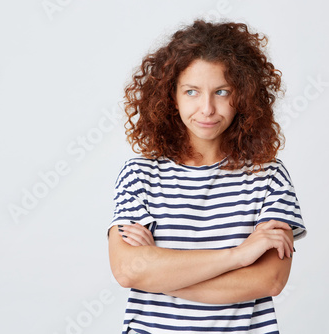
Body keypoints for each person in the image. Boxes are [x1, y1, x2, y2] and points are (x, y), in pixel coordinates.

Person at [107, 20, 307, 334]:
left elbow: (269, 280)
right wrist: (240, 255)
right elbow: (128, 271)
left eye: (222, 92)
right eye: (192, 92)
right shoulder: (139, 175)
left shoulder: (269, 176)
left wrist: (159, 274)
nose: (207, 108)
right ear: (171, 97)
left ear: (242, 96)